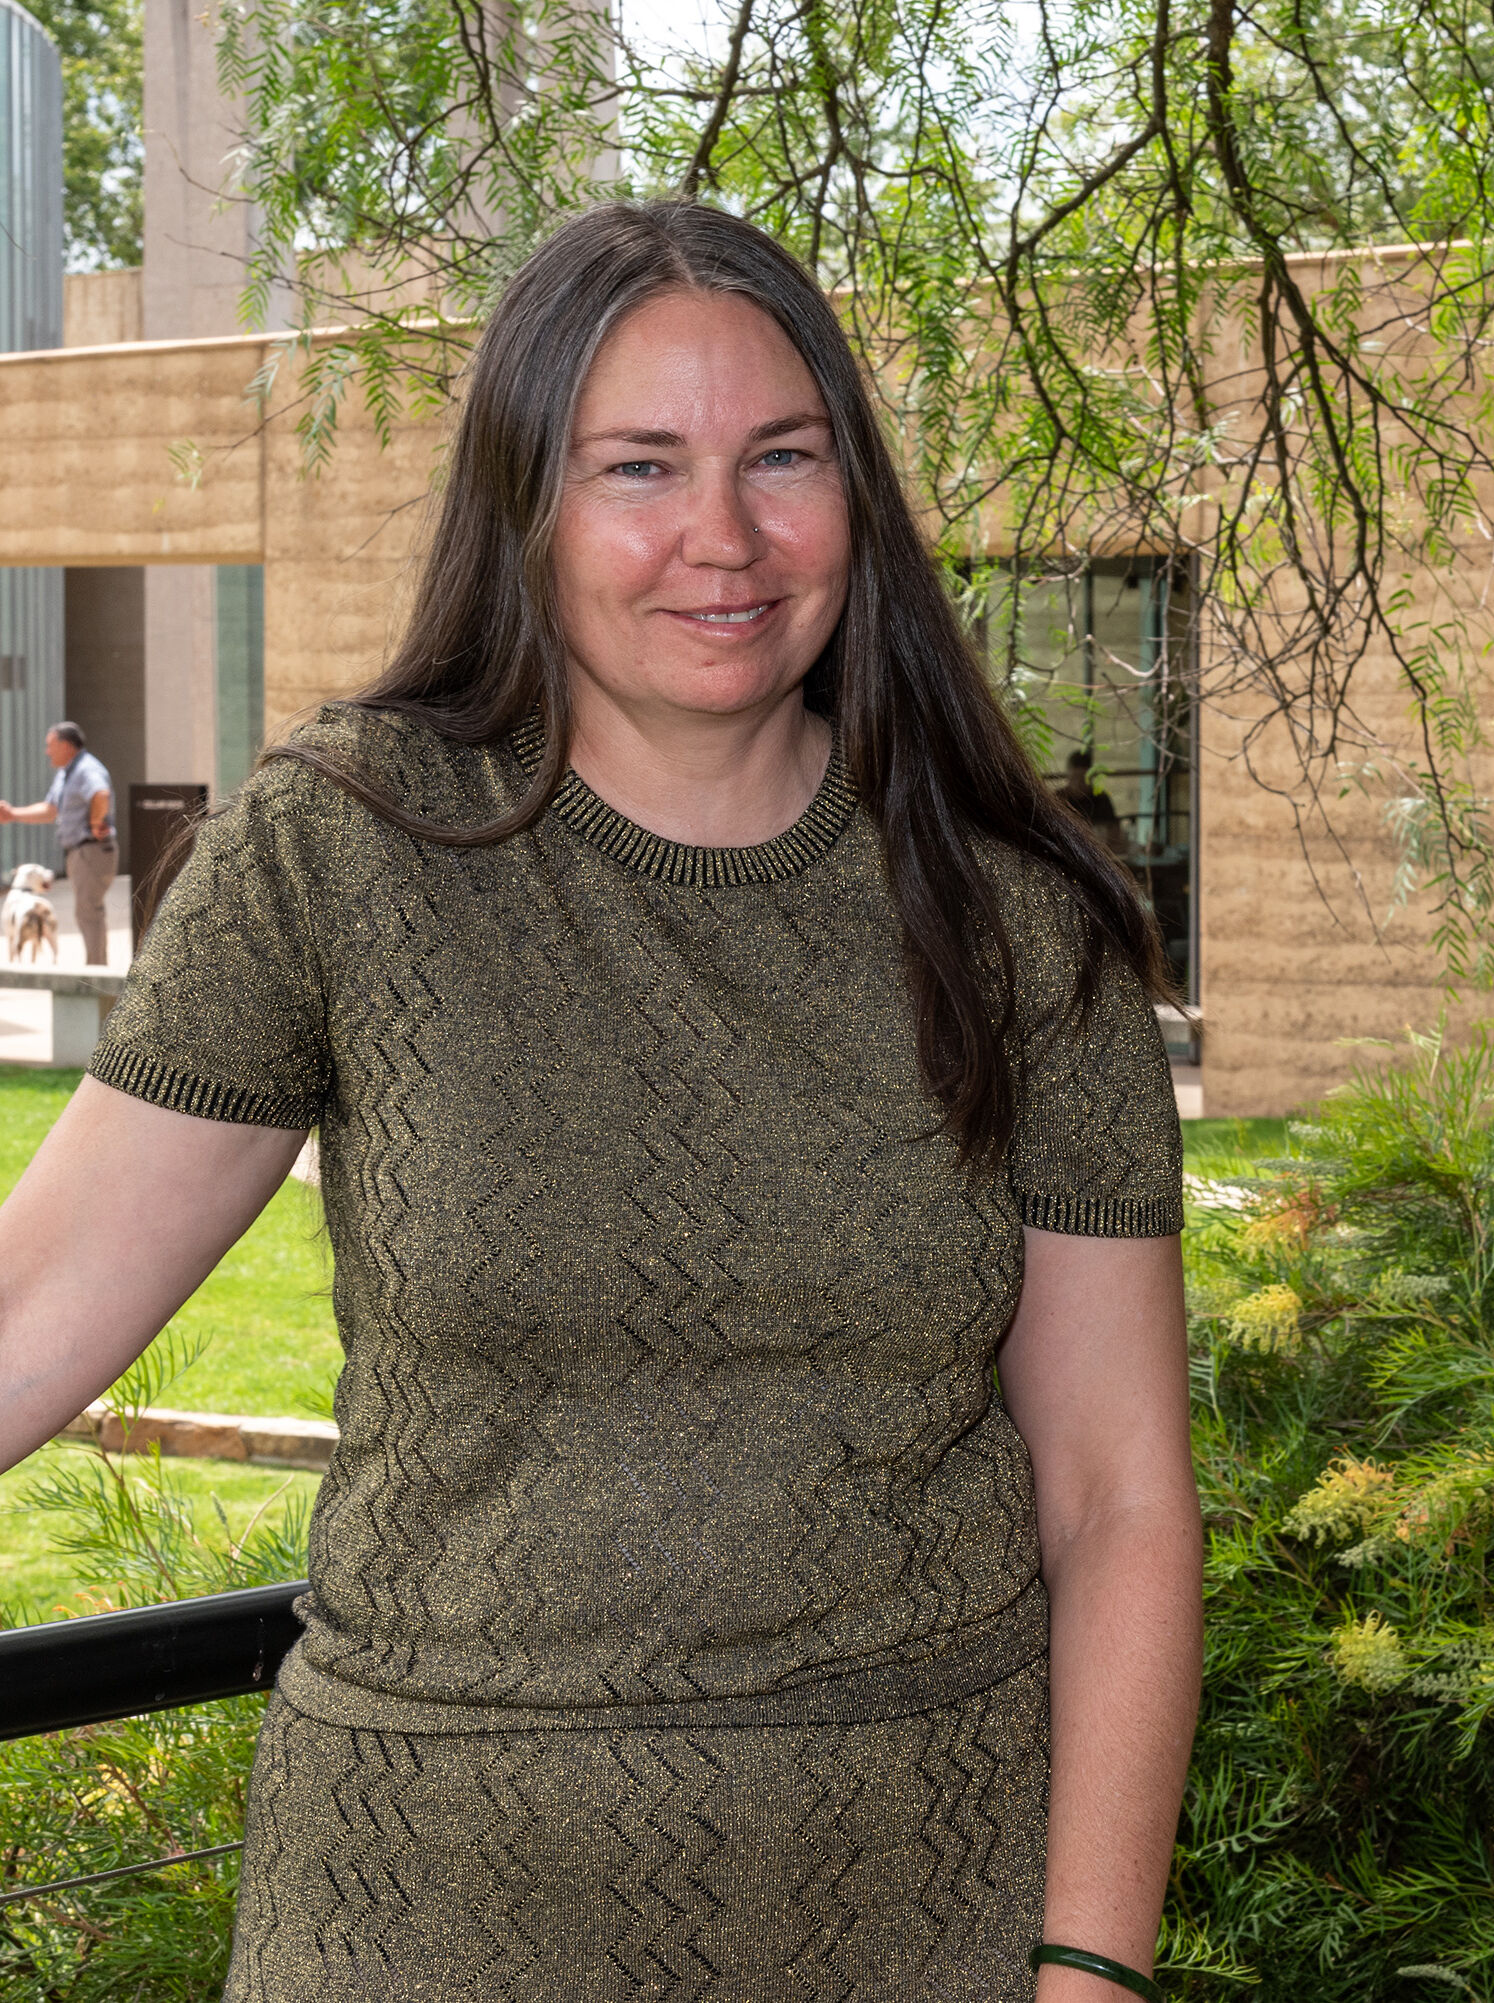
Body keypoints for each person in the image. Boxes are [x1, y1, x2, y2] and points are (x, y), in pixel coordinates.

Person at [0, 203, 1202, 2002]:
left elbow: (1116, 1493)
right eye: (637, 465)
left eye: (778, 458)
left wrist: (1085, 1967)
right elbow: (27, 1312)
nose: (719, 536)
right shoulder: (344, 845)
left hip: (905, 1904)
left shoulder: (1018, 911)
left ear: (852, 493)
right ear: (528, 506)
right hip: (415, 1911)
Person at [0, 722, 118, 964]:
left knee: (89, 913)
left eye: (50, 746)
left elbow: (101, 793)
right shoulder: (67, 772)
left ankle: (96, 975)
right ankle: (96, 971)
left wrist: (97, 822)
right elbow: (49, 809)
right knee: (86, 912)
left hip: (91, 850)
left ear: (65, 746)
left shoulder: (86, 769)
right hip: (81, 852)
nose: (47, 752)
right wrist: (13, 814)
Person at [1056, 748, 1130, 861]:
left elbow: (1115, 831)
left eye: (1083, 779)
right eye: (1075, 778)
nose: (1079, 784)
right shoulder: (1058, 798)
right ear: (1068, 776)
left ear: (1091, 777)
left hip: (1098, 855)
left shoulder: (1101, 798)